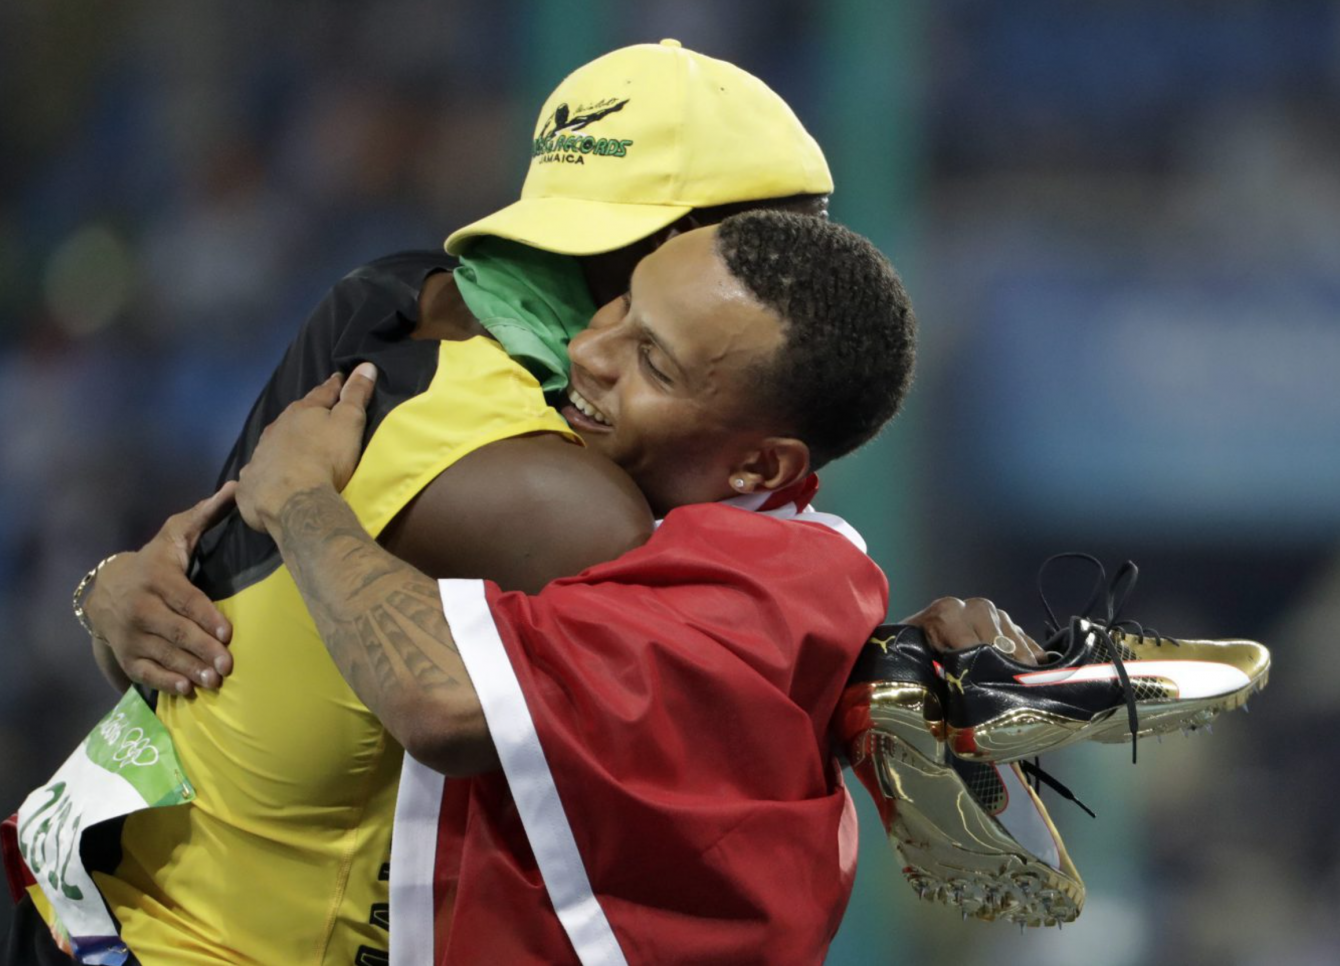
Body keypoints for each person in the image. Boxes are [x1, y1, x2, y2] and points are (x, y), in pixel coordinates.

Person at [2, 43, 943, 966]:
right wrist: (902, 671)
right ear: (672, 243)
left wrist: (108, 589)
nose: (799, 268)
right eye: (775, 241)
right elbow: (712, 675)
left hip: (87, 898)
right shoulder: (562, 496)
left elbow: (193, 586)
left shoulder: (389, 297)